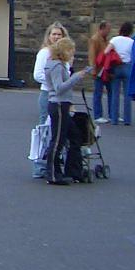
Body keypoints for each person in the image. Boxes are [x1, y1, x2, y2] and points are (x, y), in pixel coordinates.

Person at [42, 36, 90, 185]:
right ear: (64, 51)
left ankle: (73, 171)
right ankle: (52, 174)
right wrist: (75, 77)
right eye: (71, 51)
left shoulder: (58, 64)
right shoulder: (56, 66)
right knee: (58, 140)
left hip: (62, 104)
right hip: (58, 104)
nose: (72, 55)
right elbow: (59, 88)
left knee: (75, 136)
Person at [31, 23, 69, 178]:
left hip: (61, 96)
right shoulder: (45, 53)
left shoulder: (64, 55)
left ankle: (54, 165)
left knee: (58, 132)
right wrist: (54, 83)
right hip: (48, 94)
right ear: (49, 36)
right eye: (54, 34)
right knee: (44, 131)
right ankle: (39, 167)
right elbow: (37, 74)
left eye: (59, 34)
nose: (56, 37)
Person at [105, 21, 135, 126]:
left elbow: (106, 52)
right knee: (127, 95)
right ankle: (127, 119)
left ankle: (114, 119)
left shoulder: (115, 39)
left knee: (115, 93)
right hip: (127, 66)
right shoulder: (132, 41)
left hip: (116, 66)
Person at [87, 21, 110, 122]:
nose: (109, 31)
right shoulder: (95, 39)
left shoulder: (105, 39)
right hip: (99, 70)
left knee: (108, 91)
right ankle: (98, 115)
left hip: (105, 69)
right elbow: (92, 55)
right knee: (98, 93)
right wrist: (93, 69)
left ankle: (111, 114)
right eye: (108, 29)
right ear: (102, 28)